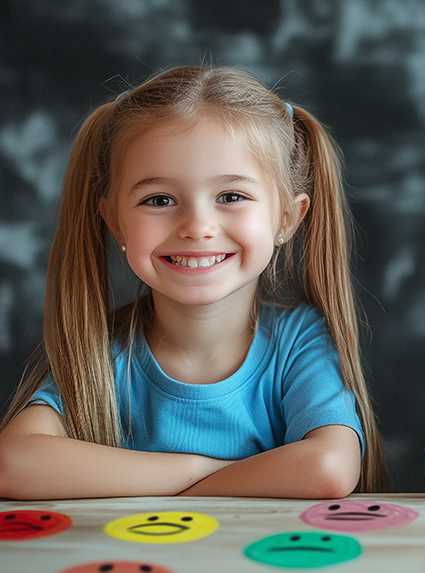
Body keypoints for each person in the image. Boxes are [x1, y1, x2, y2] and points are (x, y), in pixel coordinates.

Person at [0, 65, 384, 499]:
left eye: (231, 197)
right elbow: (14, 463)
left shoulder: (298, 342)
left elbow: (328, 467)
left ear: (287, 218)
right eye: (159, 199)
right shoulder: (101, 352)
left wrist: (158, 481)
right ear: (115, 223)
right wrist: (203, 471)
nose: (197, 226)